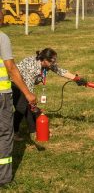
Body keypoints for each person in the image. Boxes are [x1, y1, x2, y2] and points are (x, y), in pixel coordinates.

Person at [13, 48, 87, 141]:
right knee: (22, 107)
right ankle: (15, 132)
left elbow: (60, 71)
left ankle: (33, 130)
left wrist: (76, 78)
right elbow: (28, 89)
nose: (54, 63)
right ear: (44, 59)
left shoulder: (47, 64)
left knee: (25, 107)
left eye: (55, 60)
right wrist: (34, 106)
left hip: (25, 84)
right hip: (15, 83)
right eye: (52, 61)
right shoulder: (31, 66)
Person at [0, 10, 37, 186]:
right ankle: (3, 179)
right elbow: (11, 68)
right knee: (5, 134)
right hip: (1, 95)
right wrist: (28, 93)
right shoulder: (2, 37)